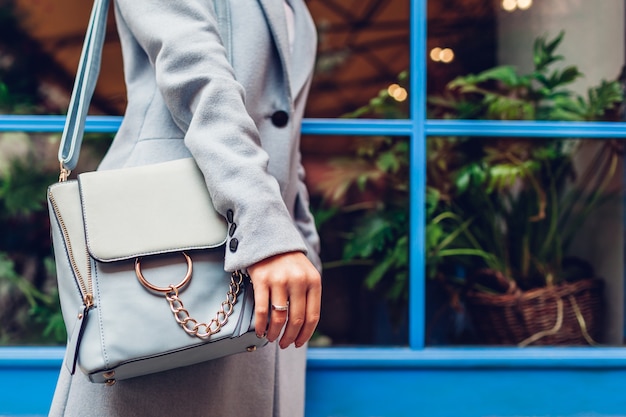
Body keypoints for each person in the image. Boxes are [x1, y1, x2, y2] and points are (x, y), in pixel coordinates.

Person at [48, 0, 322, 415]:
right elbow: (195, 74)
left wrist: (300, 236)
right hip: (167, 258)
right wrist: (270, 234)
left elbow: (284, 127)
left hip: (266, 278)